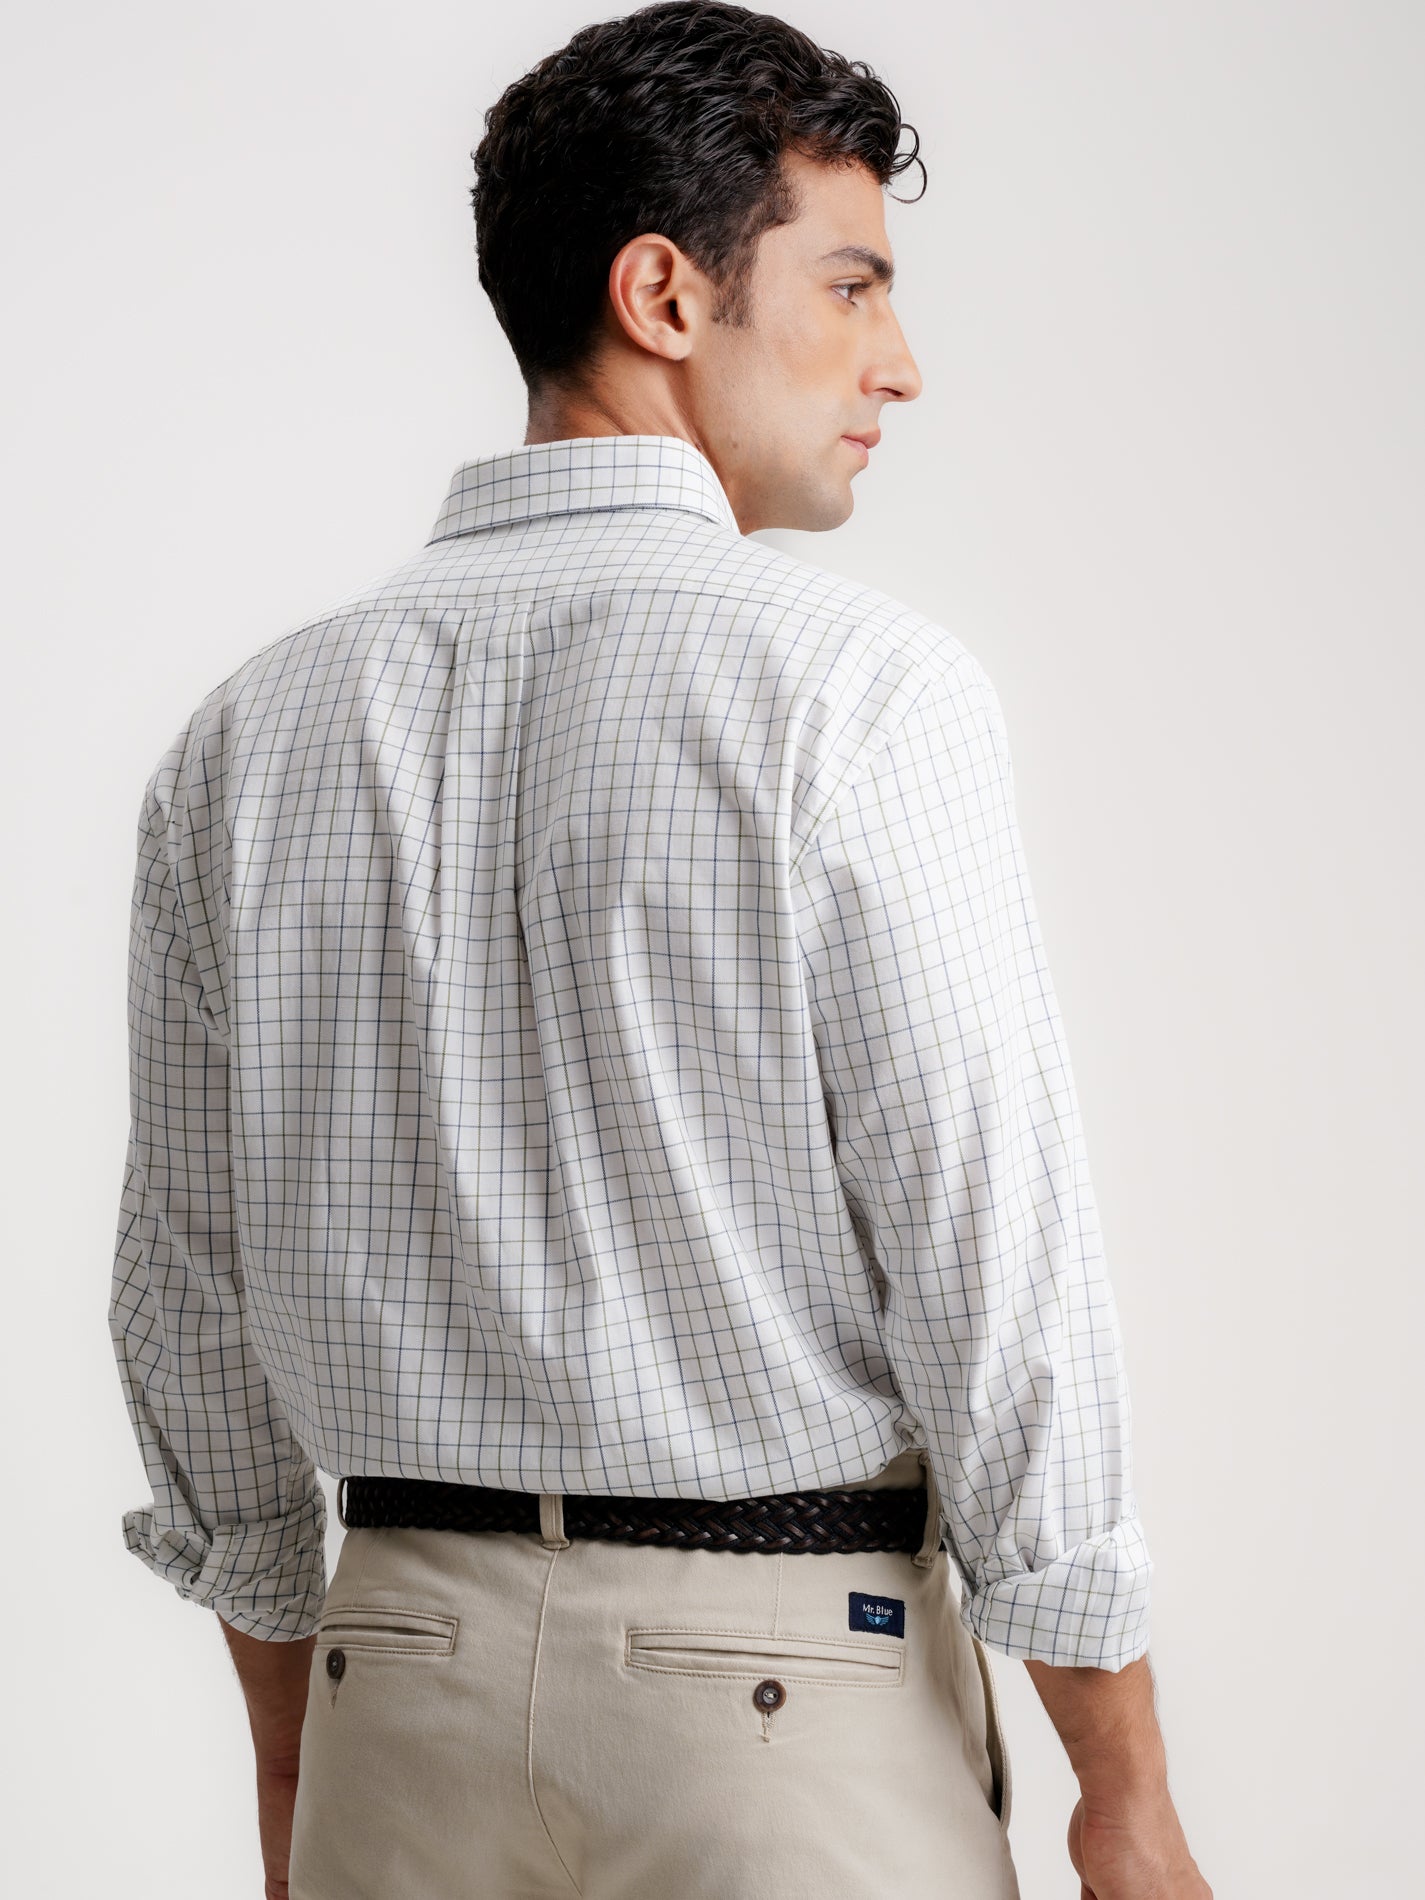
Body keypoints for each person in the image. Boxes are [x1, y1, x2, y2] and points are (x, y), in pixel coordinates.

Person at [108, 5, 1211, 1897]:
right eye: (851, 283)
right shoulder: (859, 696)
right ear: (663, 296)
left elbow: (183, 1295)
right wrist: (1122, 1788)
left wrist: (298, 1750)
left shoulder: (249, 734)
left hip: (397, 1691)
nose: (900, 360)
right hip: (783, 1711)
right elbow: (990, 1256)